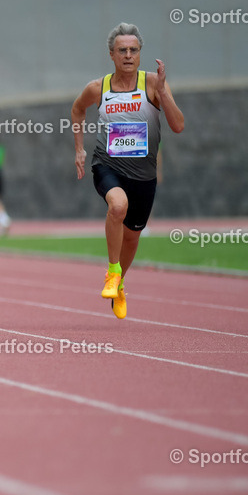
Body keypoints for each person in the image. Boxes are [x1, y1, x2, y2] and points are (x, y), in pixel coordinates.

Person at [71, 22, 183, 320]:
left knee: (133, 236)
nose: (129, 55)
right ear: (112, 54)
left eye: (134, 50)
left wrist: (164, 92)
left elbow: (178, 125)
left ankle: (119, 283)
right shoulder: (99, 88)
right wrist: (79, 148)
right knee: (117, 206)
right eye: (123, 50)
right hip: (107, 165)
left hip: (144, 174)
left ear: (140, 52)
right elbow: (77, 109)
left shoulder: (151, 84)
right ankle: (111, 271)